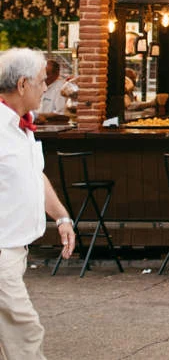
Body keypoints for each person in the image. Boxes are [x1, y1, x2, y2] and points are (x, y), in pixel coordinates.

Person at [0, 47, 76, 360]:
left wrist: (61, 217)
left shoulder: (21, 125)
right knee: (25, 331)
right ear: (22, 85)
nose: (46, 87)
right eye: (42, 80)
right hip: (1, 251)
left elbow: (35, 174)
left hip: (14, 249)